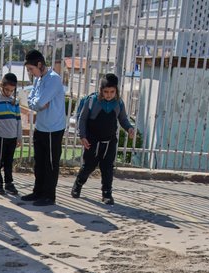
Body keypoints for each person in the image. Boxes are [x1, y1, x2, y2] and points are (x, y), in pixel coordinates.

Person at [71, 73, 136, 206]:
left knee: (107, 168)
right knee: (88, 166)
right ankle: (78, 184)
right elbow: (82, 119)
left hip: (110, 142)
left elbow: (122, 119)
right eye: (106, 92)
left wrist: (129, 128)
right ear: (101, 90)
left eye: (112, 92)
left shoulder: (119, 103)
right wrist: (83, 136)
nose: (109, 95)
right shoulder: (91, 101)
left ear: (116, 91)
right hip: (92, 141)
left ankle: (107, 193)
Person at [21, 50, 65, 206]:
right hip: (40, 127)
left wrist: (37, 104)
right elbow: (31, 101)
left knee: (50, 164)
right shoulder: (38, 80)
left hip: (54, 128)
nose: (30, 73)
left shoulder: (54, 79)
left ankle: (48, 195)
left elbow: (38, 103)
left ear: (40, 64)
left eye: (31, 69)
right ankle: (38, 191)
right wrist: (37, 104)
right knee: (39, 162)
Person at [0, 72, 21, 195]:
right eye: (6, 90)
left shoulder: (15, 102)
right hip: (0, 137)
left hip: (12, 137)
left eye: (11, 91)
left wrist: (19, 137)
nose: (9, 93)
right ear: (1, 85)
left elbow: (18, 121)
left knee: (9, 161)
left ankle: (9, 183)